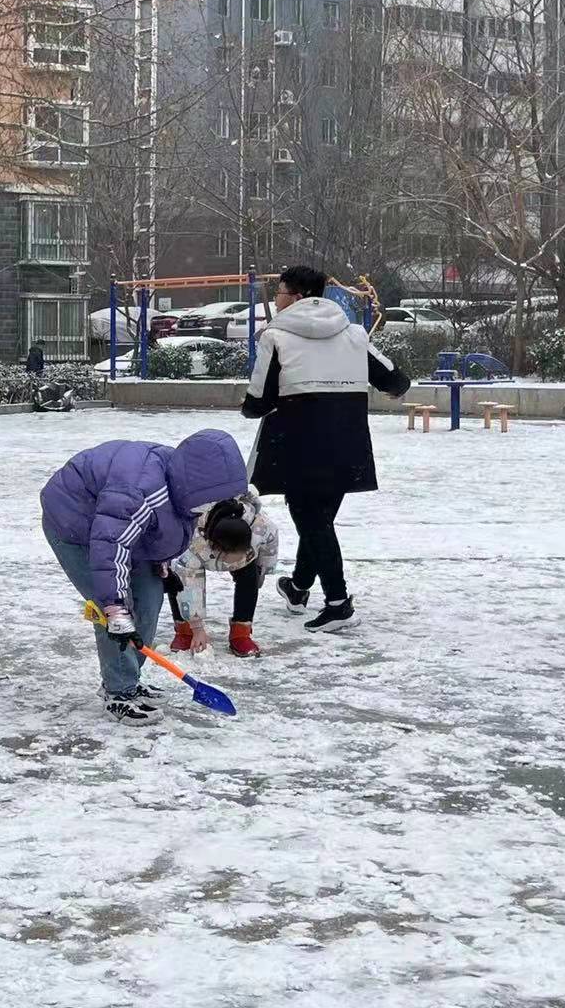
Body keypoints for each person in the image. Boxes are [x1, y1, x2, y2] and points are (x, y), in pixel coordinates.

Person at [242, 264, 412, 632]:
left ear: (297, 297)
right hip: (347, 443)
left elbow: (257, 400)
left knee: (313, 520)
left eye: (280, 293)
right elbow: (397, 381)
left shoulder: (276, 337)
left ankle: (338, 603)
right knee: (320, 520)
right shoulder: (354, 334)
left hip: (299, 444)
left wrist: (254, 406)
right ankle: (300, 587)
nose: (276, 300)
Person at [40, 431, 248, 725]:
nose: (216, 507)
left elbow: (163, 528)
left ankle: (129, 678)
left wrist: (163, 563)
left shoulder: (188, 492)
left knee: (149, 599)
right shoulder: (140, 491)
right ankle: (118, 692)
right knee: (117, 612)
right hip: (77, 525)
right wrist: (114, 608)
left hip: (119, 531)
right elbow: (110, 549)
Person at [167, 489, 279, 659]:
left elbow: (270, 547)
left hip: (244, 555)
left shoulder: (262, 528)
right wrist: (197, 628)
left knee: (250, 576)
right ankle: (184, 630)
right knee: (176, 581)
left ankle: (241, 632)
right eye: (230, 559)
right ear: (215, 546)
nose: (232, 565)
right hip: (197, 558)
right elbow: (188, 586)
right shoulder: (196, 544)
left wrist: (262, 571)